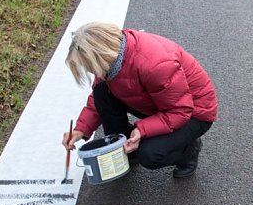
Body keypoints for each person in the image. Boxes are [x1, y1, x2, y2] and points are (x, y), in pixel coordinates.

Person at [62, 22, 217, 178]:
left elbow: (180, 110)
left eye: (89, 66)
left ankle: (188, 152)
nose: (89, 70)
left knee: (149, 155)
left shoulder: (155, 65)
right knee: (102, 92)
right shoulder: (113, 56)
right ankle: (126, 147)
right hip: (162, 103)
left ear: (100, 56)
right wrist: (80, 129)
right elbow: (98, 100)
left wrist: (142, 130)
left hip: (193, 112)